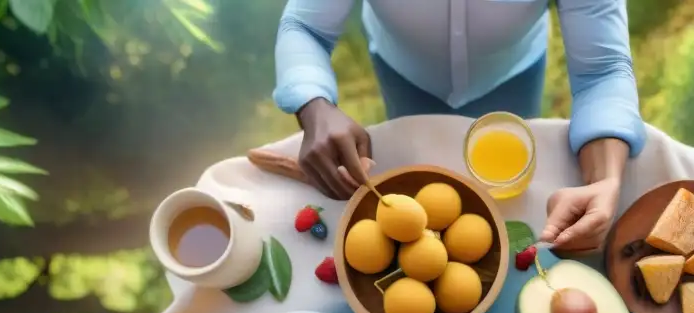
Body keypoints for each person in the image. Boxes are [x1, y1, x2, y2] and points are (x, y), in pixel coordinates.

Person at [273, 0, 646, 252]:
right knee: (415, 176)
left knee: (514, 195)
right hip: (404, 76)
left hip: (514, 76)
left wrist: (604, 181)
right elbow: (305, 26)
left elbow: (602, 70)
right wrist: (314, 104)